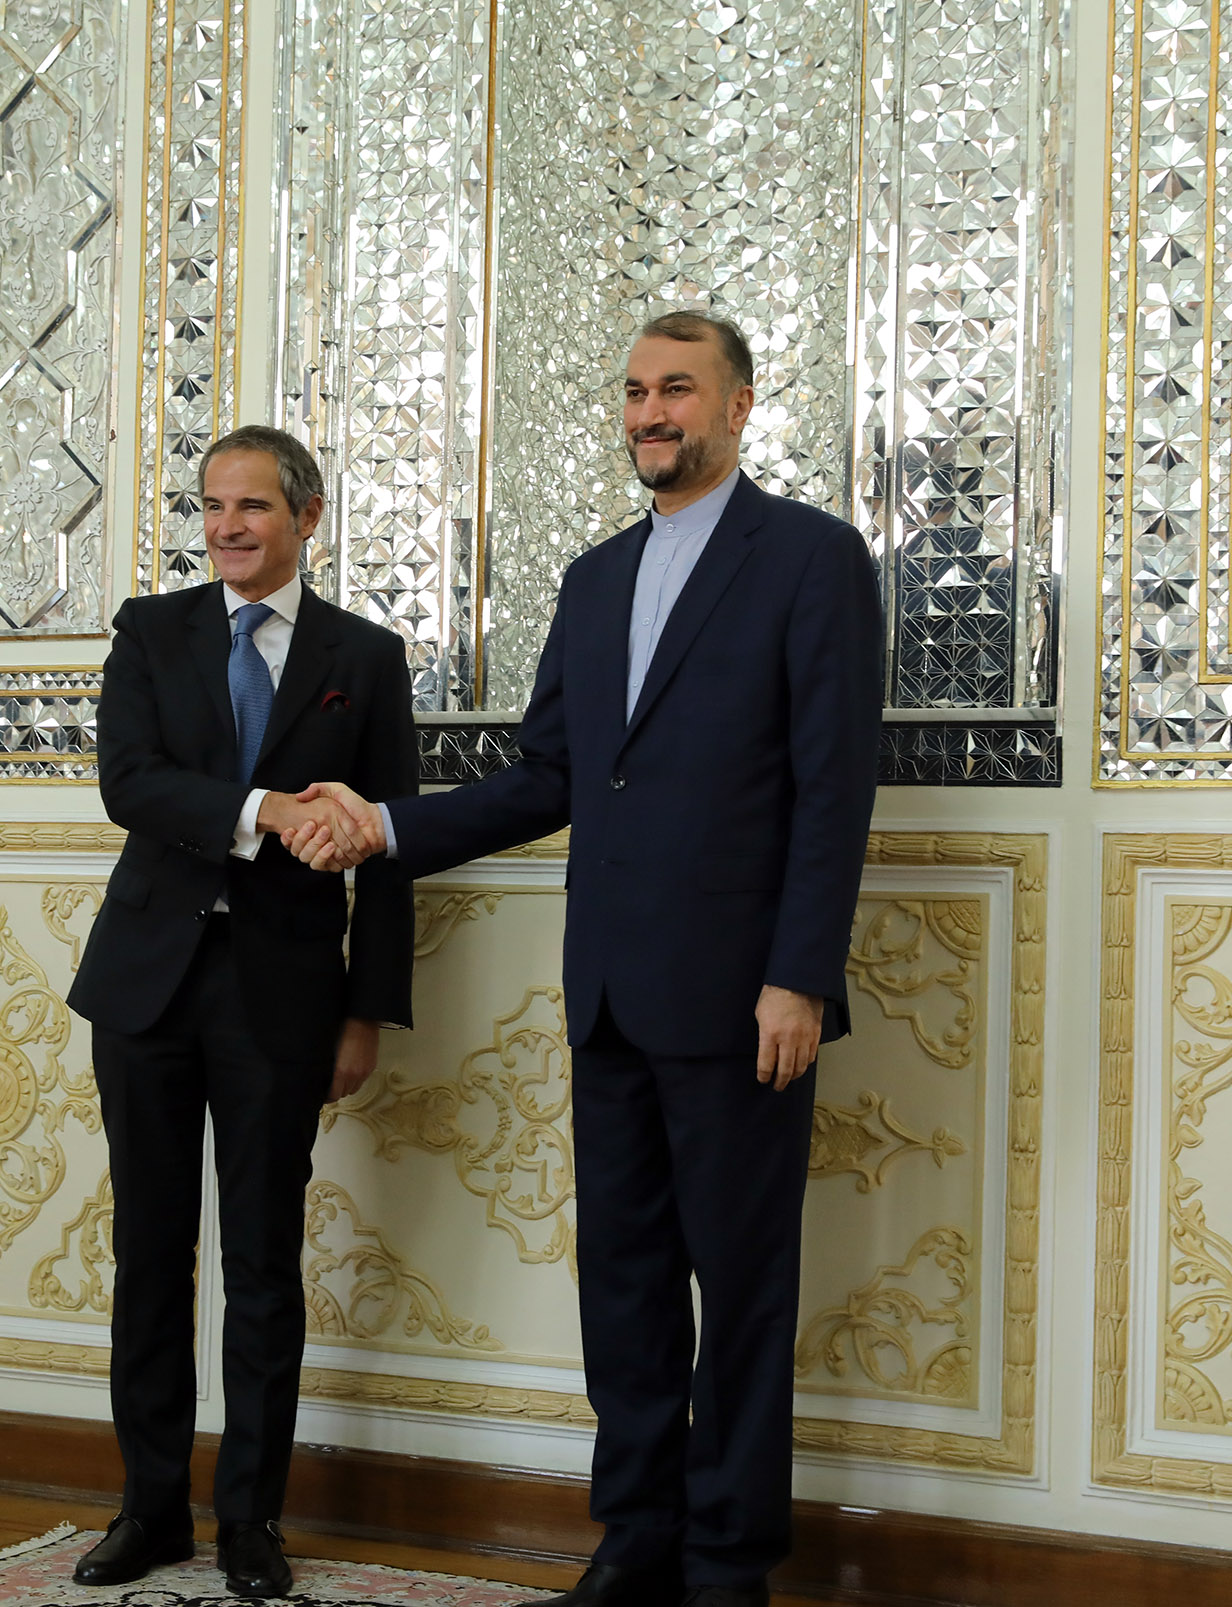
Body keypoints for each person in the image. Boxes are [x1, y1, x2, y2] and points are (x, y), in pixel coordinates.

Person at [284, 312, 883, 1607]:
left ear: (737, 405)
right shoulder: (594, 577)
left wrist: (800, 973)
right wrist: (384, 825)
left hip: (743, 999)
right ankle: (636, 1537)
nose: (649, 412)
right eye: (634, 391)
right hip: (607, 990)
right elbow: (548, 775)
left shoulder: (812, 557)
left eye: (677, 388)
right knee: (621, 1283)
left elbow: (834, 786)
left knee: (742, 1290)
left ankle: (728, 1563)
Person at [65, 425, 418, 1598]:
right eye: (211, 506)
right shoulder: (149, 630)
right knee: (148, 1253)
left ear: (305, 516)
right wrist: (265, 808)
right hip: (146, 988)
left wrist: (366, 1014)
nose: (225, 526)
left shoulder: (365, 657)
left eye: (252, 506)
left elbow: (391, 857)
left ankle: (250, 1522)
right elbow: (129, 782)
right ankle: (149, 1508)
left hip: (285, 996)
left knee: (262, 1260)